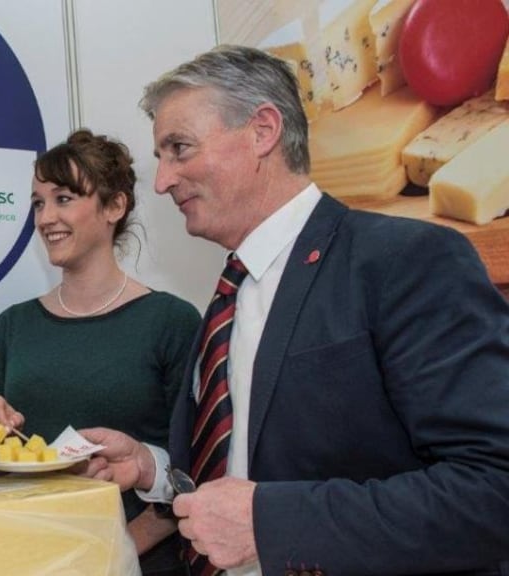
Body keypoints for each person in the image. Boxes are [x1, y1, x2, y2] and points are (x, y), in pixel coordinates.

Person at [78, 45, 509, 576]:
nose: (163, 181)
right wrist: (154, 469)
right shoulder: (225, 297)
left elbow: (493, 488)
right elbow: (240, 468)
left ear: (263, 131)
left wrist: (269, 522)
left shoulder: (405, 260)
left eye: (179, 149)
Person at [0, 129, 201, 576]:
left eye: (63, 198)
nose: (45, 218)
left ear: (114, 207)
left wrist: (111, 553)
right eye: (39, 202)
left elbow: (195, 470)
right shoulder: (13, 325)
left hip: (137, 560)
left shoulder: (171, 321)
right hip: (35, 555)